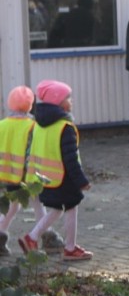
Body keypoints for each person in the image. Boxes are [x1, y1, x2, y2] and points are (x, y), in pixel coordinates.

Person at [18, 80, 93, 261]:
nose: (71, 101)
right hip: (64, 177)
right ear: (59, 102)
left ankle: (33, 237)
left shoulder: (38, 124)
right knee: (71, 208)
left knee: (57, 210)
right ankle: (69, 248)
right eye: (68, 97)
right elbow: (70, 158)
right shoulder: (65, 127)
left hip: (45, 177)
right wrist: (81, 181)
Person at [0, 86, 40, 255]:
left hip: (5, 174)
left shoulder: (2, 124)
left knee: (12, 207)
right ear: (30, 105)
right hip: (25, 174)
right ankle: (45, 235)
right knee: (38, 204)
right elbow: (32, 151)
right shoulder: (32, 126)